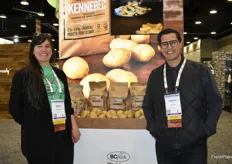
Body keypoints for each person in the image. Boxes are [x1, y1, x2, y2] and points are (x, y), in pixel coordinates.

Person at [142, 28, 222, 164]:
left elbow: (215, 102)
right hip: (165, 145)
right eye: (165, 44)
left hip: (195, 145)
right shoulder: (155, 75)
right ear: (160, 48)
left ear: (180, 44)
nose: (169, 48)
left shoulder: (200, 71)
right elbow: (148, 105)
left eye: (173, 42)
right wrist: (153, 128)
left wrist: (205, 130)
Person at [8, 33, 81, 164]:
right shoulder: (23, 75)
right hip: (37, 136)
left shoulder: (60, 74)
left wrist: (74, 127)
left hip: (62, 132)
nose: (44, 49)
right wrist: (32, 123)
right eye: (39, 46)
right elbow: (14, 108)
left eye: (47, 46)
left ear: (52, 51)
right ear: (33, 50)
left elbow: (67, 103)